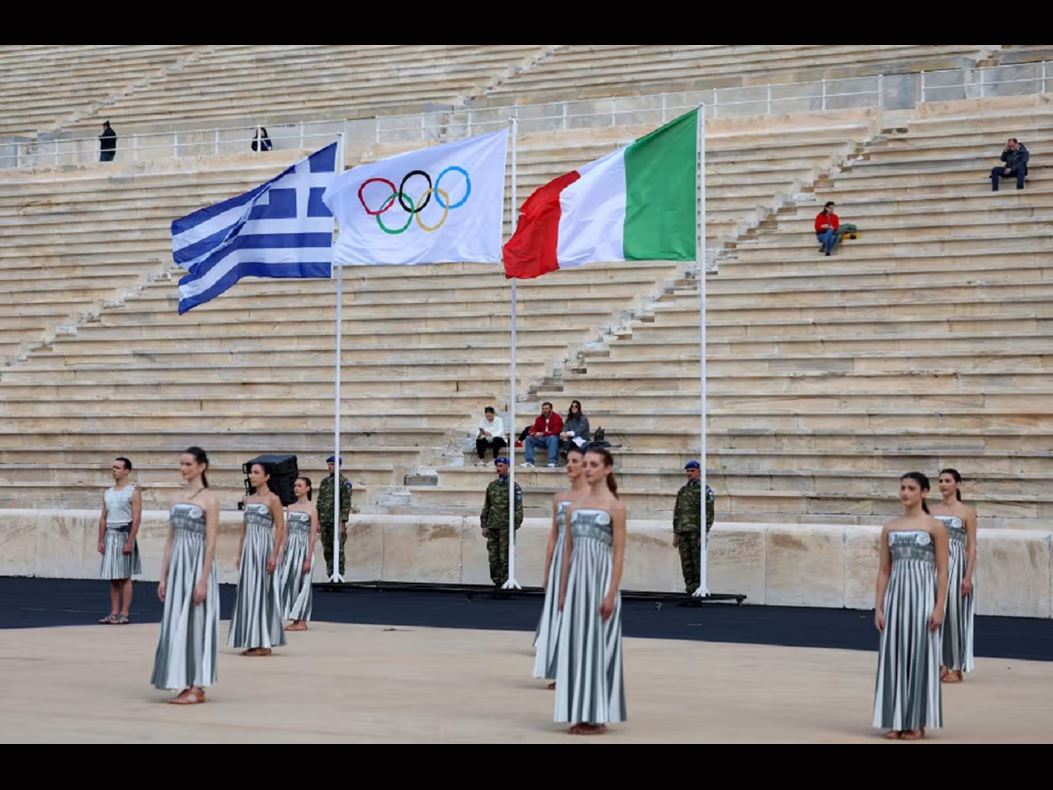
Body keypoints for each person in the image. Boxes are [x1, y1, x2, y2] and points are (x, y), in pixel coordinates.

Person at [555, 446, 627, 735]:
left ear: (607, 469)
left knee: (599, 646)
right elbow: (568, 552)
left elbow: (619, 555)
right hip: (576, 581)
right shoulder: (573, 506)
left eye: (594, 464)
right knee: (576, 645)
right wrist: (562, 592)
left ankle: (597, 715)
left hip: (601, 580)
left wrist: (611, 593)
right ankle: (579, 711)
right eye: (585, 464)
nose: (587, 469)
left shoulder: (616, 508)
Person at [872, 472, 948, 740]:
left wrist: (939, 607)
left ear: (924, 492)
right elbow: (883, 570)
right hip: (896, 600)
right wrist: (878, 607)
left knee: (920, 657)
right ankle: (895, 719)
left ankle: (916, 722)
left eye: (911, 488)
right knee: (893, 656)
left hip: (923, 598)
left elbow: (942, 570)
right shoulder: (890, 527)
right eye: (902, 487)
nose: (905, 492)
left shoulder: (935, 527)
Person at [150, 447, 220, 705]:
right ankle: (182, 680)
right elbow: (170, 540)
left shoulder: (210, 500)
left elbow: (211, 542)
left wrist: (203, 579)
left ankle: (197, 686)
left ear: (201, 466)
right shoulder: (176, 498)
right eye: (181, 464)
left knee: (197, 622)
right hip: (178, 566)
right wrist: (163, 576)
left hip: (197, 566)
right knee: (177, 621)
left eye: (188, 464)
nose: (183, 468)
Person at [533, 445, 588, 687]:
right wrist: (547, 571)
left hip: (583, 559)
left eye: (575, 461)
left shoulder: (594, 498)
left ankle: (578, 672)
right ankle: (559, 669)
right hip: (560, 563)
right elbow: (553, 537)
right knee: (557, 615)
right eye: (568, 461)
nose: (569, 465)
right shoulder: (559, 498)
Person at [228, 462, 287, 656]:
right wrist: (239, 553)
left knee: (263, 592)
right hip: (249, 550)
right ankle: (253, 639)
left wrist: (275, 554)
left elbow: (280, 527)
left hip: (264, 548)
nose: (252, 476)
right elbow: (243, 529)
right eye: (251, 472)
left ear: (267, 476)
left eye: (256, 472)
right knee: (249, 592)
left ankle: (265, 643)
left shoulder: (273, 499)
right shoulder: (248, 499)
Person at [931, 468, 977, 684]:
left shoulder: (967, 511)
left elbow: (972, 546)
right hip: (936, 566)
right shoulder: (932, 511)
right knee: (936, 612)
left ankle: (956, 666)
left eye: (947, 480)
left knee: (955, 615)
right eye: (940, 481)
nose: (943, 484)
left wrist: (967, 576)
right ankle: (941, 663)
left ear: (957, 484)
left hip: (957, 566)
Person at [97, 456, 142, 624]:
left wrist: (130, 541)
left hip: (124, 534)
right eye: (113, 467)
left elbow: (136, 518)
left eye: (117, 467)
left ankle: (124, 613)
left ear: (126, 471)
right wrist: (101, 540)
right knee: (113, 576)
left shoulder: (133, 492)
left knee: (124, 576)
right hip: (111, 535)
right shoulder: (107, 493)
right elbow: (103, 517)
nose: (114, 470)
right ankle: (114, 612)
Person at [280, 476, 319, 632]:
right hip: (291, 548)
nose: (296, 488)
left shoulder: (312, 509)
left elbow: (313, 535)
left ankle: (302, 620)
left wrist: (309, 557)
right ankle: (294, 617)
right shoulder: (290, 508)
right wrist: (282, 551)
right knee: (290, 581)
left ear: (307, 488)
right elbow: (285, 531)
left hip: (304, 548)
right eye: (295, 485)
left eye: (300, 485)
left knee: (303, 582)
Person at [672, 460, 715, 595]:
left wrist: (704, 533)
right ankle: (690, 591)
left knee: (697, 564)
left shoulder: (704, 490)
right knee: (686, 564)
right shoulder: (683, 491)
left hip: (696, 532)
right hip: (683, 531)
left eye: (692, 471)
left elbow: (709, 513)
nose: (689, 473)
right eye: (688, 471)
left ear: (699, 472)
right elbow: (677, 512)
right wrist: (675, 534)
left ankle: (698, 592)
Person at [480, 456, 523, 586]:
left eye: (501, 466)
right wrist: (484, 524)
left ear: (508, 467)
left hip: (506, 527)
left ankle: (505, 583)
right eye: (497, 466)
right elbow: (487, 505)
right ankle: (496, 583)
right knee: (493, 557)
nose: (498, 468)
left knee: (505, 557)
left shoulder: (514, 486)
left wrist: (514, 525)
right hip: (493, 526)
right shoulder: (492, 486)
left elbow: (518, 508)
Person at [318, 454, 352, 578]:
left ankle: (339, 574)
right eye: (329, 464)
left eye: (332, 464)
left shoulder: (344, 482)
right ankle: (330, 574)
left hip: (336, 521)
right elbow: (320, 502)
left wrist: (342, 522)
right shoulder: (325, 482)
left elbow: (346, 503)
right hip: (325, 520)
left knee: (338, 550)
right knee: (327, 550)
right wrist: (318, 521)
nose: (329, 467)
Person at [523, 401, 564, 468]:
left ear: (551, 409)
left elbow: (556, 431)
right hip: (542, 440)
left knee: (552, 438)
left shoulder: (557, 418)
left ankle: (553, 462)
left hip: (553, 439)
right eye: (543, 409)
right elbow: (533, 429)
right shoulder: (539, 418)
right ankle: (529, 462)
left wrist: (543, 433)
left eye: (546, 408)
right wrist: (534, 433)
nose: (544, 410)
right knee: (529, 438)